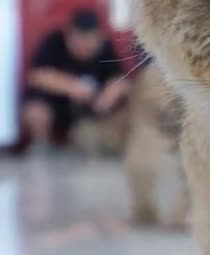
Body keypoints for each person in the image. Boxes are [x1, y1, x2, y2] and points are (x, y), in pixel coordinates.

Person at [22, 9, 130, 154]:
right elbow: (38, 75)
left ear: (99, 38)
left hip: (92, 113)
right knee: (35, 109)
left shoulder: (106, 47)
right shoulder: (53, 42)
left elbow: (121, 80)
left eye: (89, 45)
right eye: (79, 44)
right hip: (57, 108)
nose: (84, 49)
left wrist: (106, 98)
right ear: (68, 35)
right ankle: (42, 144)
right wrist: (73, 87)